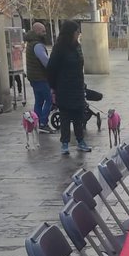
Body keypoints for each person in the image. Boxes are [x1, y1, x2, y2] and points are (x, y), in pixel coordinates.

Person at [45, 20, 92, 156]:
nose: (78, 34)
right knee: (65, 116)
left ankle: (80, 141)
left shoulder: (77, 46)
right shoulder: (59, 48)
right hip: (64, 87)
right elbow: (51, 68)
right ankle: (64, 143)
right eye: (77, 31)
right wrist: (54, 86)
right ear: (71, 32)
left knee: (79, 114)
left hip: (77, 86)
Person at [24, 22, 53, 134]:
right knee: (49, 100)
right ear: (36, 31)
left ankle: (36, 122)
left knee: (39, 101)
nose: (44, 33)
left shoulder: (30, 43)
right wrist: (53, 68)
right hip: (40, 77)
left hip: (33, 77)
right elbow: (45, 61)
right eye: (43, 31)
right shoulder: (38, 45)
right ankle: (43, 123)